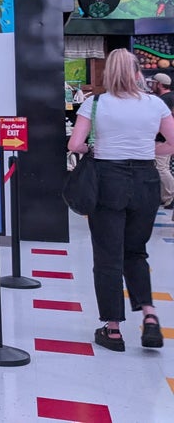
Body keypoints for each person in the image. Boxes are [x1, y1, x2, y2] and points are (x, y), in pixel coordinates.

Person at [67, 49, 174, 351]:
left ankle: (113, 329)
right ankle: (150, 316)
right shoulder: (154, 104)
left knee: (108, 255)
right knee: (135, 251)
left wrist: (97, 150)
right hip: (145, 182)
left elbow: (75, 143)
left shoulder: (95, 103)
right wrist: (146, 152)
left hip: (108, 181)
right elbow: (172, 143)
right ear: (137, 72)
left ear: (108, 73)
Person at [152, 73, 174, 208]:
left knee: (161, 168)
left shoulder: (164, 100)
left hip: (163, 140)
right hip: (169, 139)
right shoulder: (171, 97)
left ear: (159, 84)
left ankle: (171, 195)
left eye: (153, 82)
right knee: (162, 167)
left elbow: (160, 122)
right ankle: (165, 196)